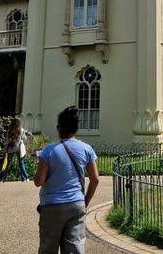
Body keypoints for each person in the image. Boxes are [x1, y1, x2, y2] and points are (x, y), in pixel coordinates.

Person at [34, 105, 99, 254]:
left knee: (48, 248)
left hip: (52, 206)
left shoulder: (49, 151)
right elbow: (95, 179)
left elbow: (39, 181)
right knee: (74, 248)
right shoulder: (86, 149)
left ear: (59, 128)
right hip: (76, 204)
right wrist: (85, 201)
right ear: (76, 128)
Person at [0, 117, 32, 182]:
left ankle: (2, 179)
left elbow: (7, 140)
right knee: (21, 164)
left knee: (6, 164)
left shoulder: (9, 130)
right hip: (19, 149)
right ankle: (25, 178)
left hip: (10, 149)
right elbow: (24, 138)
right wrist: (26, 133)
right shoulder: (21, 130)